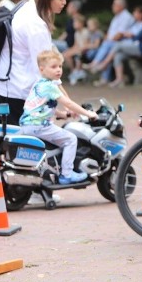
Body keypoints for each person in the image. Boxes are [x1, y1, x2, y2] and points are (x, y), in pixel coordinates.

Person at [0, 0, 69, 202]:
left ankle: (29, 187)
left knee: (6, 138)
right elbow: (47, 69)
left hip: (4, 84)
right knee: (22, 140)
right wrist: (65, 102)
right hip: (17, 89)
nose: (64, 2)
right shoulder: (35, 24)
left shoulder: (25, 7)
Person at [19, 49, 97, 184]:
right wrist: (88, 113)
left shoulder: (38, 85)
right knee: (71, 139)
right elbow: (68, 102)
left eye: (60, 66)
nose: (58, 70)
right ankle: (66, 175)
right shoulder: (50, 86)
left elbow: (43, 106)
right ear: (42, 69)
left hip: (27, 124)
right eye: (53, 67)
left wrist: (63, 114)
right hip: (39, 126)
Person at [103, 6, 142, 88]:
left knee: (118, 45)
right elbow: (139, 36)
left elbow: (140, 36)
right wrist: (132, 36)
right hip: (138, 48)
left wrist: (131, 35)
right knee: (118, 56)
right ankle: (119, 79)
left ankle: (104, 63)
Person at [85, 0, 136, 80]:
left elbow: (119, 34)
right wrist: (106, 40)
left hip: (122, 43)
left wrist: (108, 41)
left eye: (114, 4)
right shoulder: (116, 17)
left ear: (121, 6)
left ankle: (95, 64)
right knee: (106, 50)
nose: (112, 6)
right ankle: (104, 78)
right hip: (112, 44)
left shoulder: (126, 17)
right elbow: (109, 33)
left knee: (107, 46)